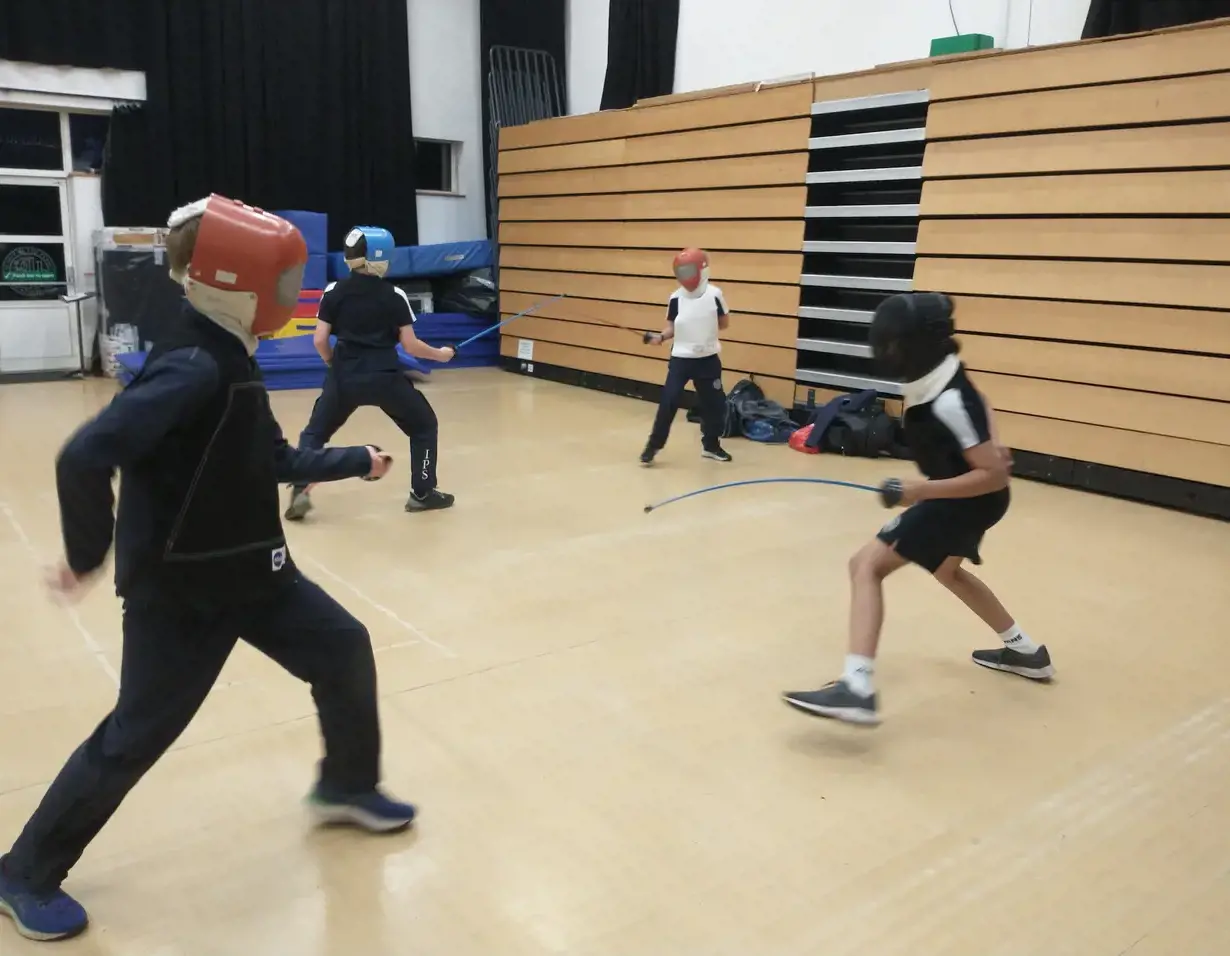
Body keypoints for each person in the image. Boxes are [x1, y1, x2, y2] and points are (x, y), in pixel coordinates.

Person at [0, 196, 417, 943]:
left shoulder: (224, 352)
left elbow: (272, 456)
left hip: (257, 573)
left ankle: (347, 785)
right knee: (136, 734)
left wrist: (355, 459)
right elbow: (86, 454)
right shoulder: (194, 362)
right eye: (281, 279)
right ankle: (23, 869)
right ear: (234, 280)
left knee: (342, 647)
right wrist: (90, 556)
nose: (293, 294)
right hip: (183, 592)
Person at [782, 292, 1053, 727]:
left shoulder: (947, 398)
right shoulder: (944, 379)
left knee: (865, 565)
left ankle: (857, 687)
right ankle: (1025, 651)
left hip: (962, 501)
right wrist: (990, 447)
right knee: (948, 570)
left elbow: (994, 475)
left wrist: (921, 490)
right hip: (970, 499)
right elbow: (980, 408)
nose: (887, 352)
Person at [285, 226, 456, 521]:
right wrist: (442, 354)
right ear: (380, 258)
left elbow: (320, 340)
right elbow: (411, 345)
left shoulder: (333, 291)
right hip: (385, 378)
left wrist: (331, 364)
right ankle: (423, 493)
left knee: (314, 434)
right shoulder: (394, 295)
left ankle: (300, 489)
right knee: (424, 425)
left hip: (344, 376)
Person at [640, 247, 733, 465]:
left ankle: (711, 446)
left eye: (689, 270)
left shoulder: (715, 295)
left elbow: (724, 324)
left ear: (702, 269)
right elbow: (671, 327)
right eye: (681, 271)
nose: (685, 275)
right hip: (681, 360)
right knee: (669, 402)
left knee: (715, 405)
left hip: (708, 360)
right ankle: (653, 446)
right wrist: (660, 337)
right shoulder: (675, 298)